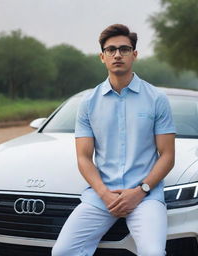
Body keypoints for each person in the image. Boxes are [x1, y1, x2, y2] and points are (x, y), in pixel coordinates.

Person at [52, 24, 176, 256]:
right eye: (111, 50)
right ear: (102, 57)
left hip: (146, 197)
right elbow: (83, 157)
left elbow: (167, 155)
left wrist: (141, 190)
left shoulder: (157, 99)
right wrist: (105, 194)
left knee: (153, 253)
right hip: (102, 196)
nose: (117, 54)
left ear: (134, 54)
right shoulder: (89, 103)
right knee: (62, 251)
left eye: (124, 49)